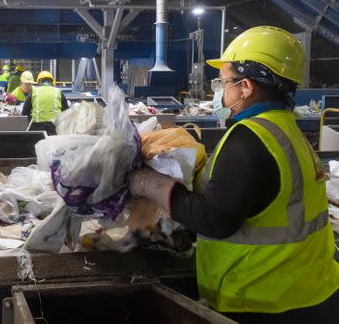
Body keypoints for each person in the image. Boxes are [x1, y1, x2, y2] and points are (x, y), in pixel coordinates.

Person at [129, 26, 339, 323]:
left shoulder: (248, 139)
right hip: (309, 289)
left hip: (265, 299)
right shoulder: (285, 129)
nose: (219, 90)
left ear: (246, 87)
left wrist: (151, 184)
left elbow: (215, 220)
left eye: (223, 81)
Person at [22, 71, 68, 135]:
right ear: (52, 82)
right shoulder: (58, 92)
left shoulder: (34, 92)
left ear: (39, 82)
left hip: (38, 128)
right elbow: (66, 112)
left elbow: (24, 113)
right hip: (55, 127)